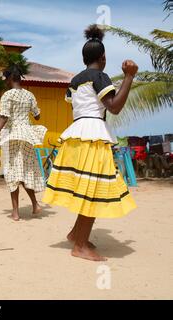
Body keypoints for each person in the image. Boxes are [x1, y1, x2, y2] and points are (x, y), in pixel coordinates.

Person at [42, 25, 138, 261]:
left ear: (84, 58)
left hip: (77, 135)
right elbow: (114, 107)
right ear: (103, 58)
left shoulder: (75, 81)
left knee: (87, 188)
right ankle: (81, 246)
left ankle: (76, 234)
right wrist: (129, 77)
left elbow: (76, 104)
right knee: (92, 191)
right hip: (93, 135)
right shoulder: (100, 76)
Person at [0, 66, 47, 221]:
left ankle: (15, 212)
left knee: (13, 173)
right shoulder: (29, 95)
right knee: (26, 171)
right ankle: (35, 205)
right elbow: (37, 116)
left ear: (9, 79)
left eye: (5, 79)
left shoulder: (7, 95)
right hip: (27, 136)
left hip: (13, 136)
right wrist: (32, 111)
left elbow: (4, 117)